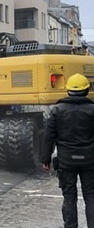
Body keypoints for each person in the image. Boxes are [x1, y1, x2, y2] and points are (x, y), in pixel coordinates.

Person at [40, 73, 94, 228]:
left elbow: (48, 137)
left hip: (66, 161)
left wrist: (45, 159)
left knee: (69, 196)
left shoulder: (57, 110)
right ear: (87, 90)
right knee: (91, 195)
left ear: (68, 90)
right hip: (90, 161)